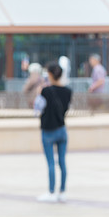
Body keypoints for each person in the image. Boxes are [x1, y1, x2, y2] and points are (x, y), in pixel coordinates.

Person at [36, 62, 72, 203]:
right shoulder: (68, 91)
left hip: (48, 131)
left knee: (51, 162)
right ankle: (62, 191)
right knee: (62, 162)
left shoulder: (46, 91)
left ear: (50, 74)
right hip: (62, 129)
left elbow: (38, 104)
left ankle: (51, 192)